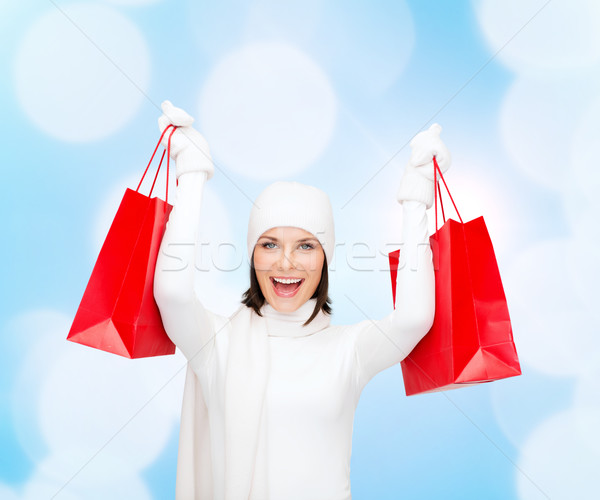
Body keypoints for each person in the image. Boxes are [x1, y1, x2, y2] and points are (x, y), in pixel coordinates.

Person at [154, 100, 451, 500]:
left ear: (325, 258)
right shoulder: (216, 344)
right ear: (252, 254)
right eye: (270, 244)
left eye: (306, 245)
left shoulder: (350, 350)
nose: (287, 262)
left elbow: (415, 317)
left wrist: (416, 199)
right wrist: (192, 174)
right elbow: (171, 292)